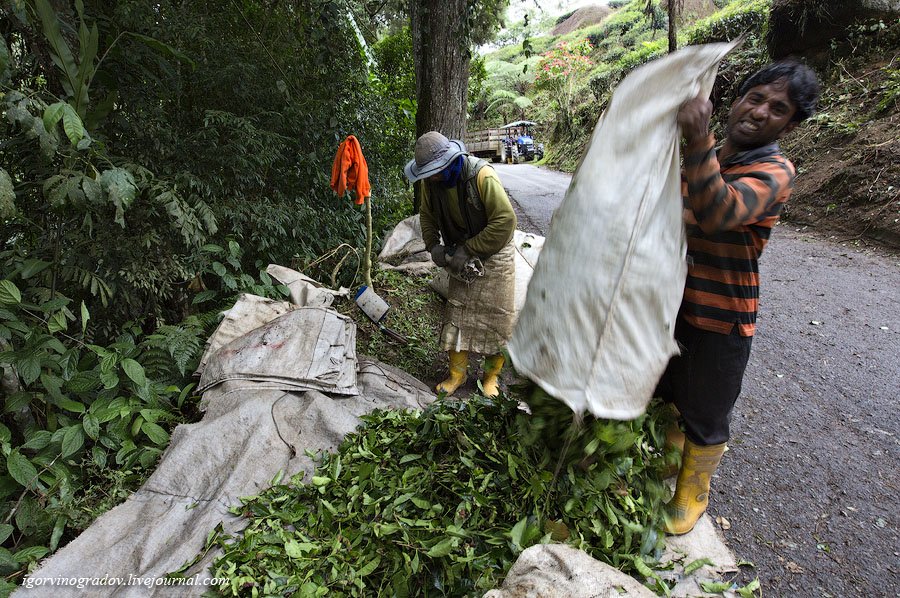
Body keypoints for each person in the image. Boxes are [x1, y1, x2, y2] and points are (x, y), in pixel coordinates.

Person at [657, 61, 820, 535]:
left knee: (705, 412)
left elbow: (719, 212)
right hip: (671, 303)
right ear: (737, 98)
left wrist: (698, 138)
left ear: (789, 124)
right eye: (756, 97)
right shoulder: (705, 153)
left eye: (778, 108)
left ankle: (692, 494)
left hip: (723, 316)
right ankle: (663, 468)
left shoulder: (775, 169)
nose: (760, 111)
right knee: (667, 395)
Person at [404, 131, 517, 398]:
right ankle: (457, 374)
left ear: (448, 162)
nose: (431, 177)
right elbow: (427, 215)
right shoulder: (431, 184)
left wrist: (470, 248)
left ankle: (491, 378)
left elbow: (505, 221)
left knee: (498, 319)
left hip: (496, 249)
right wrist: (433, 246)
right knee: (457, 315)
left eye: (434, 171)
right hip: (460, 250)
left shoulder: (482, 176)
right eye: (427, 173)